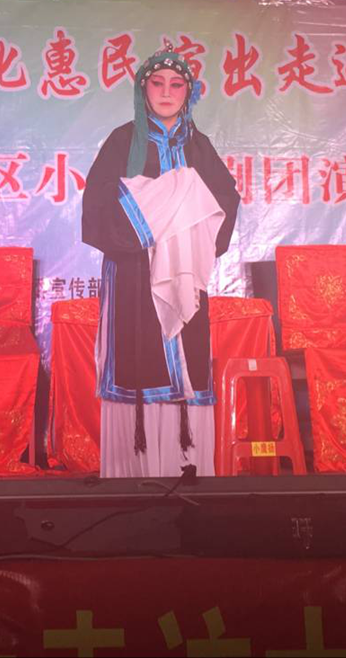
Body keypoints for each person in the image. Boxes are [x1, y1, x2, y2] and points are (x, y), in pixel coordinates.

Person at [81, 46, 240, 477]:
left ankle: (187, 466)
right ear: (142, 89)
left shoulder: (199, 146)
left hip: (183, 272)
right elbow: (97, 204)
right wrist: (170, 202)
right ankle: (134, 471)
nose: (166, 92)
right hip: (134, 272)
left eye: (176, 84)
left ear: (189, 92)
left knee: (188, 351)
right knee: (139, 357)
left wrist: (181, 204)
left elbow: (225, 200)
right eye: (157, 83)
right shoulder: (122, 141)